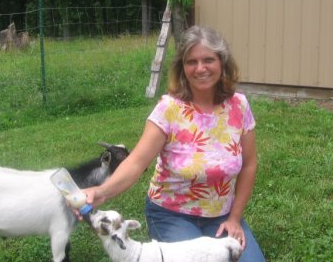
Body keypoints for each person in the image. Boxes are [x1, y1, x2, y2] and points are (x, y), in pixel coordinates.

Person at [80, 25, 265, 262]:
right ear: (182, 67)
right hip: (171, 214)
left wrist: (234, 218)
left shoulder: (239, 106)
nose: (200, 68)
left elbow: (249, 164)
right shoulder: (169, 109)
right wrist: (101, 192)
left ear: (222, 63)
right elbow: (136, 162)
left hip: (222, 214)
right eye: (191, 62)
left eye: (208, 60)